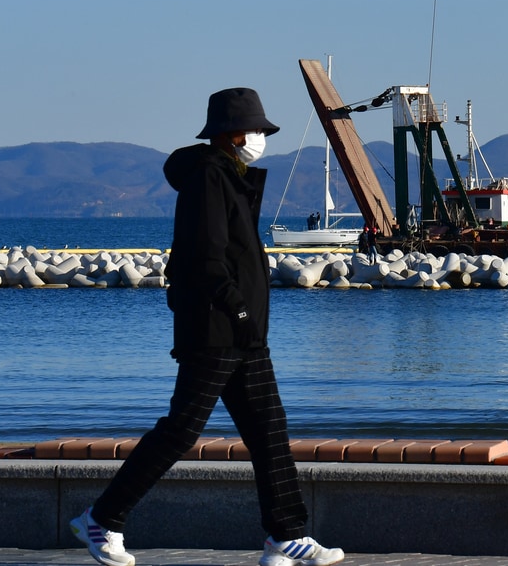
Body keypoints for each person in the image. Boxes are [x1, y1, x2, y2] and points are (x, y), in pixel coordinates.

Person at [71, 87, 343, 566]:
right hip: (217, 330)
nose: (261, 138)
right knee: (181, 430)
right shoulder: (208, 180)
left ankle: (285, 537)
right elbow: (207, 258)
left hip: (243, 334)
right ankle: (102, 520)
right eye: (257, 130)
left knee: (268, 430)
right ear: (233, 133)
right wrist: (239, 311)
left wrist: (247, 320)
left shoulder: (228, 177)